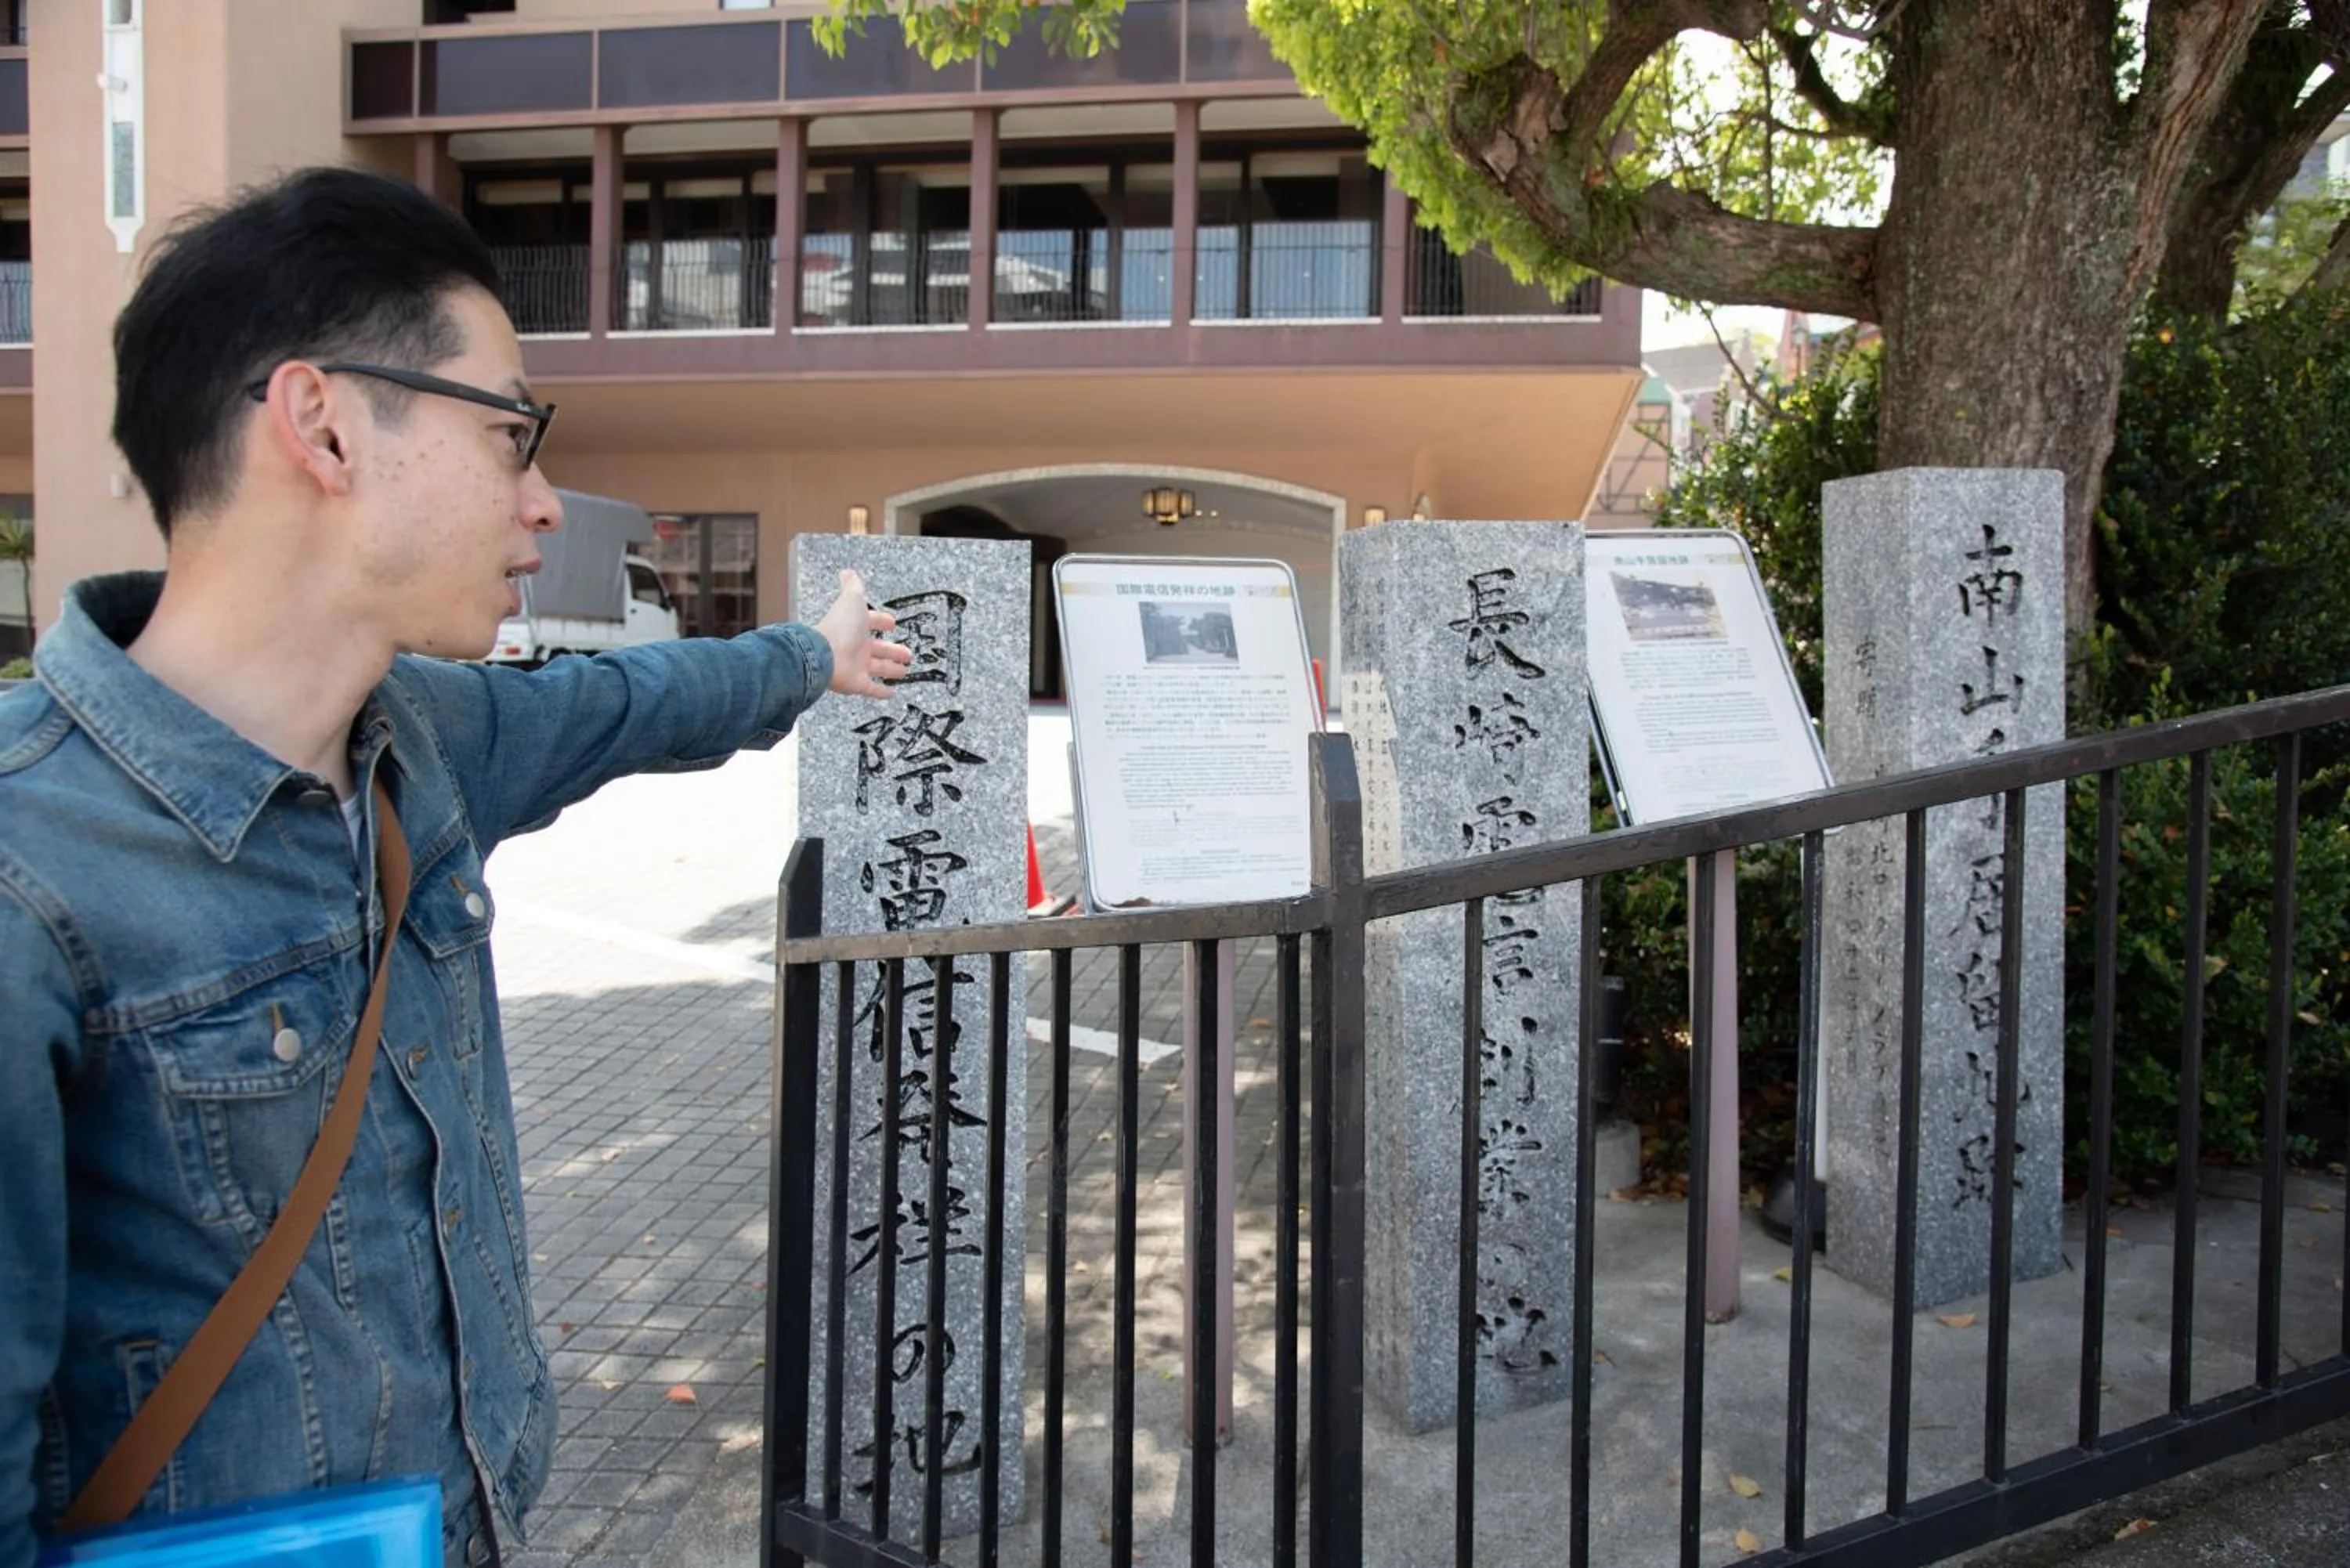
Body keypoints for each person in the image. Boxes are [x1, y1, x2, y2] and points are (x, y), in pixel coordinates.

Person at [0, 166, 911, 1568]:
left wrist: (811, 655)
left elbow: (635, 703)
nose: (545, 502)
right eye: (510, 434)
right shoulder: (31, 873)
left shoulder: (418, 742)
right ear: (321, 423)